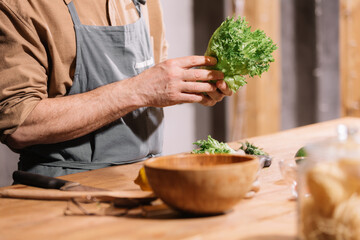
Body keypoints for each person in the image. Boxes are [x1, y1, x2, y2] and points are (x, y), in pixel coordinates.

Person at [0, 0, 232, 177]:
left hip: (143, 179)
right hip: (61, 190)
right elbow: (19, 126)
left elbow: (150, 84)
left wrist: (191, 83)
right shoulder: (21, 6)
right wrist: (138, 91)